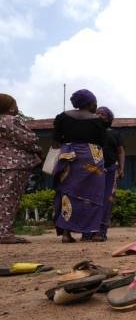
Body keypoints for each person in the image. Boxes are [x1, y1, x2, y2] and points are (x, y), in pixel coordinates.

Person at [52, 89, 107, 243]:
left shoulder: (62, 117)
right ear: (89, 103)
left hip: (69, 157)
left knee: (68, 194)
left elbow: (56, 141)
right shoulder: (97, 120)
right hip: (93, 158)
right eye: (95, 102)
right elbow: (102, 142)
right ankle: (95, 233)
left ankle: (66, 234)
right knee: (94, 195)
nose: (96, 106)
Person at [0, 93, 42, 244]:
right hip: (13, 166)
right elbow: (30, 140)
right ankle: (4, 234)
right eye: (15, 104)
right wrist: (38, 149)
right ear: (10, 107)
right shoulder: (11, 120)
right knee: (9, 200)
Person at [84, 106, 123, 241]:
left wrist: (121, 168)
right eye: (97, 113)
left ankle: (100, 232)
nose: (99, 115)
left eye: (103, 114)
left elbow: (120, 152)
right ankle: (87, 233)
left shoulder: (114, 134)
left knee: (107, 201)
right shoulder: (88, 132)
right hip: (92, 170)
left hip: (111, 170)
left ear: (109, 118)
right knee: (90, 201)